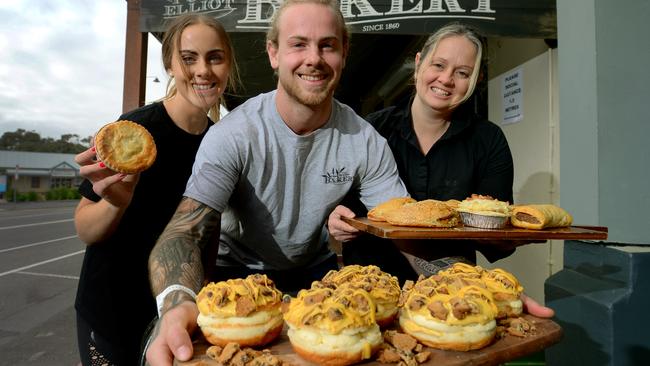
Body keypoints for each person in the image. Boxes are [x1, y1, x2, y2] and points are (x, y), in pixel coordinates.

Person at [145, 0, 408, 364]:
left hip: (317, 280)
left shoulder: (365, 140)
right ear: (273, 53)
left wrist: (473, 285)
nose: (313, 58)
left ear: (344, 53)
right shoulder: (234, 134)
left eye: (327, 45)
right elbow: (185, 231)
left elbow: (406, 227)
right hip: (236, 281)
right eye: (298, 44)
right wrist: (176, 301)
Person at [327, 22, 554, 317]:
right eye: (439, 64)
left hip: (452, 299)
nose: (446, 79)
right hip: (369, 292)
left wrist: (507, 235)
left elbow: (495, 237)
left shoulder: (487, 140)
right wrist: (337, 218)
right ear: (419, 63)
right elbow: (342, 206)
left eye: (462, 73)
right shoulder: (370, 130)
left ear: (476, 79)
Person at [73, 14, 240, 365]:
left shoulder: (222, 143)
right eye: (189, 58)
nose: (203, 70)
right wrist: (116, 204)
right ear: (169, 64)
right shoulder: (133, 133)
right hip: (111, 310)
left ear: (228, 65)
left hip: (177, 313)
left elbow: (204, 234)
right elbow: (85, 229)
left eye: (214, 57)